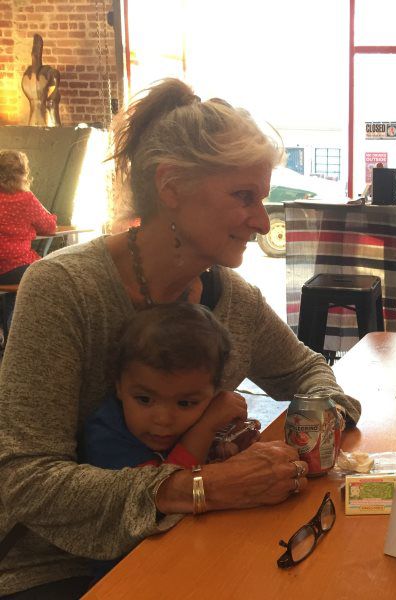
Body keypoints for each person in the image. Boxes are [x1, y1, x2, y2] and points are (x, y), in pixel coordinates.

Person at [0, 78, 361, 598]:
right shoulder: (64, 288)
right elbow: (27, 481)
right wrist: (204, 486)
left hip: (186, 539)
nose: (262, 221)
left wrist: (306, 438)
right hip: (55, 566)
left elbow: (308, 372)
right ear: (170, 187)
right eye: (244, 197)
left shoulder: (233, 298)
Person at [81, 302, 252, 580]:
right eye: (144, 399)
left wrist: (227, 447)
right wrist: (205, 428)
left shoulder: (186, 418)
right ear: (119, 386)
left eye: (185, 402)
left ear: (213, 393)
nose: (163, 419)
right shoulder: (106, 435)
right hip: (124, 572)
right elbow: (160, 494)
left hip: (190, 547)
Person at [0, 149, 57, 285]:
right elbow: (49, 228)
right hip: (16, 267)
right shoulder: (26, 199)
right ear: (23, 174)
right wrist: (51, 218)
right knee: (51, 272)